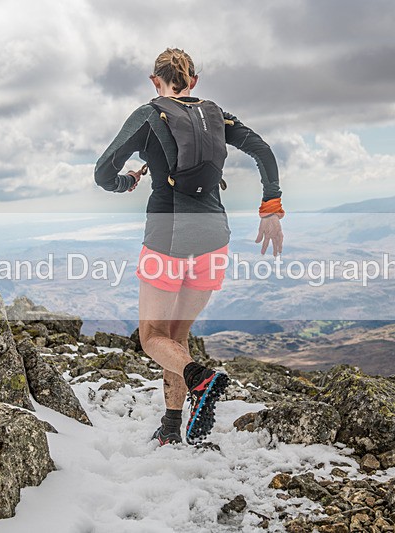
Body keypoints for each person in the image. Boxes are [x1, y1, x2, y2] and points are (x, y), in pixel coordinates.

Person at [94, 48, 284, 446]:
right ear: (193, 81)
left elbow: (103, 172)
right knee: (176, 340)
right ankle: (170, 426)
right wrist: (270, 206)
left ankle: (200, 380)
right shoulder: (216, 114)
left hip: (168, 241)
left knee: (152, 339)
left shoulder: (148, 114)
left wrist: (127, 183)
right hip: (215, 241)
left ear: (154, 81)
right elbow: (263, 151)